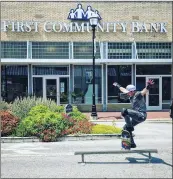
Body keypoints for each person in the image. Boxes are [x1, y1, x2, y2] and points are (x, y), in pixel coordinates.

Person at [113, 79, 154, 148]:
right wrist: (117, 85)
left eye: (128, 92)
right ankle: (132, 143)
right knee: (125, 128)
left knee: (124, 111)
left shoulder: (137, 94)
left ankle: (130, 126)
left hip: (141, 115)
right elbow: (123, 89)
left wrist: (148, 86)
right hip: (136, 117)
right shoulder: (130, 95)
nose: (127, 94)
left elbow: (143, 92)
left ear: (132, 91)